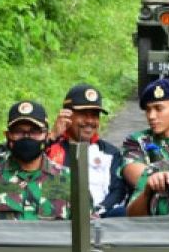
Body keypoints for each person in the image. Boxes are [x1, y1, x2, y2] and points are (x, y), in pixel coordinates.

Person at [0, 100, 70, 220]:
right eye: (18, 132)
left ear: (47, 136)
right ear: (8, 136)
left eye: (34, 131)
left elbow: (87, 225)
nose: (27, 137)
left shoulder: (67, 178)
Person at [46, 84, 129, 217]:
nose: (90, 121)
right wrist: (52, 136)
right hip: (58, 218)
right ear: (66, 115)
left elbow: (117, 190)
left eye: (95, 115)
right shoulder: (50, 148)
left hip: (100, 218)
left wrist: (96, 211)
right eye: (83, 114)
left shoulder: (110, 152)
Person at [120, 78, 169, 187]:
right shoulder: (138, 140)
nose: (151, 116)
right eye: (148, 110)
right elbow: (136, 175)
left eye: (158, 109)